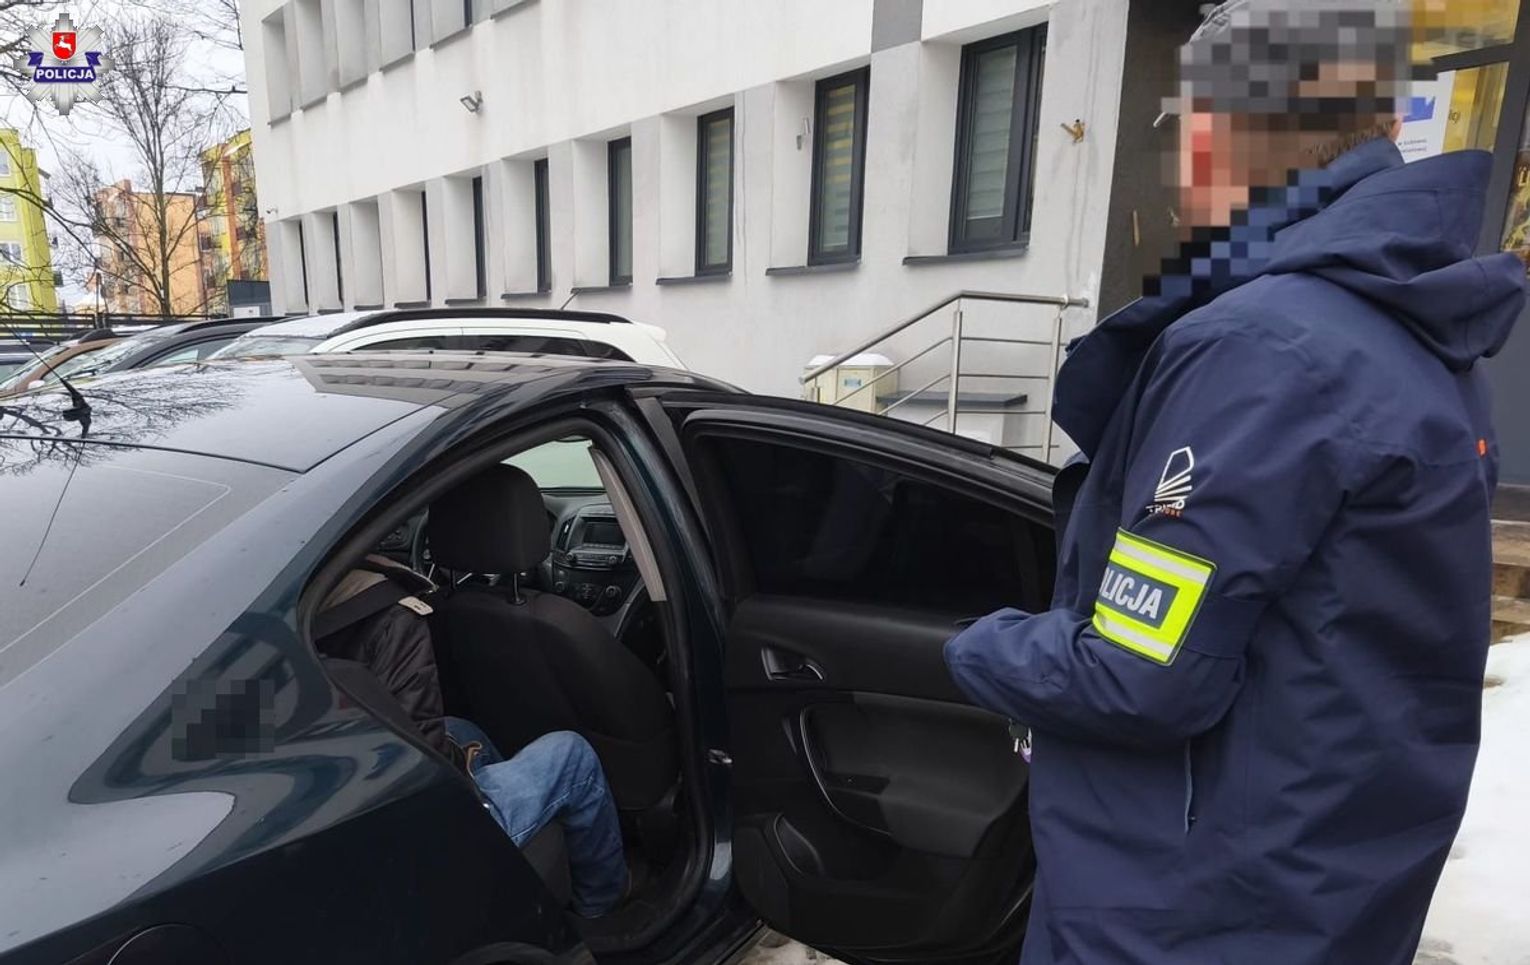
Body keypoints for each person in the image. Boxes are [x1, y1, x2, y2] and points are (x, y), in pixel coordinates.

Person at [944, 3, 1526, 963]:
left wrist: (979, 646)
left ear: (1213, 134)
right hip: (1337, 888)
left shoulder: (1260, 348)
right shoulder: (1423, 334)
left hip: (1184, 915)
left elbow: (1139, 673)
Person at [317, 555, 627, 917]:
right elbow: (424, 759)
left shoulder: (278, 619)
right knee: (572, 755)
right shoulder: (391, 618)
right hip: (422, 833)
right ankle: (602, 904)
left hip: (344, 804)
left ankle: (523, 827)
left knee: (463, 730)